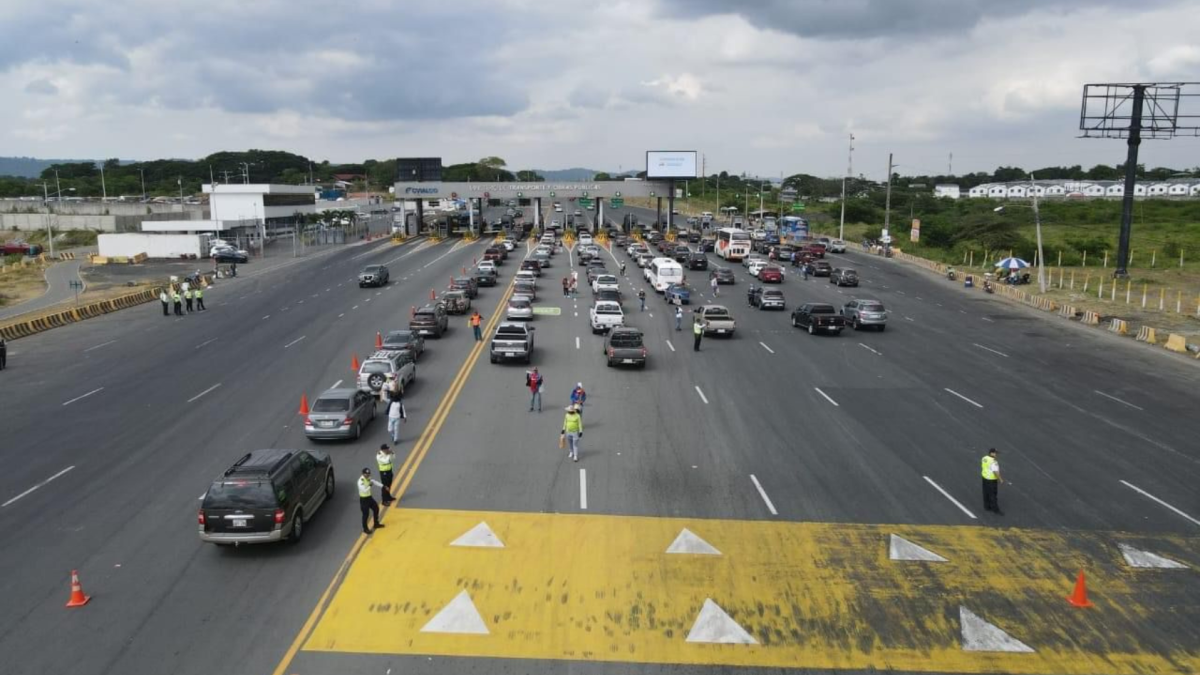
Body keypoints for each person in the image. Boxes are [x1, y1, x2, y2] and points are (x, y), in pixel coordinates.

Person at [357, 468, 387, 534]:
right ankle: (365, 529)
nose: (368, 475)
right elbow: (364, 490)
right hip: (364, 499)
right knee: (366, 515)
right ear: (363, 474)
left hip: (369, 498)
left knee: (376, 508)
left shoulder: (368, 478)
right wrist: (370, 485)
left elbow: (374, 482)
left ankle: (376, 523)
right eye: (366, 474)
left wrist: (383, 486)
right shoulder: (360, 481)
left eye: (368, 474)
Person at [981, 448, 1003, 515]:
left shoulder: (984, 458)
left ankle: (987, 507)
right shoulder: (994, 462)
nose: (996, 454)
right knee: (993, 495)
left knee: (986, 493)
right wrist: (1000, 479)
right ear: (991, 453)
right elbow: (995, 472)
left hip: (984, 478)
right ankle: (995, 509)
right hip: (991, 480)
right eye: (995, 453)